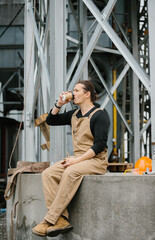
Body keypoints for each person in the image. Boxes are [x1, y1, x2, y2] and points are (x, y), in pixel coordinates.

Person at [32, 80, 109, 237]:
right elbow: (51, 120)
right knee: (48, 173)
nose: (73, 94)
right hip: (78, 159)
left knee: (70, 172)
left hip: (96, 161)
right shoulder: (74, 114)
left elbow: (100, 144)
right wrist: (59, 104)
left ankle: (49, 220)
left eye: (77, 90)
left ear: (87, 94)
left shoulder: (99, 115)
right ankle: (60, 219)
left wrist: (76, 161)